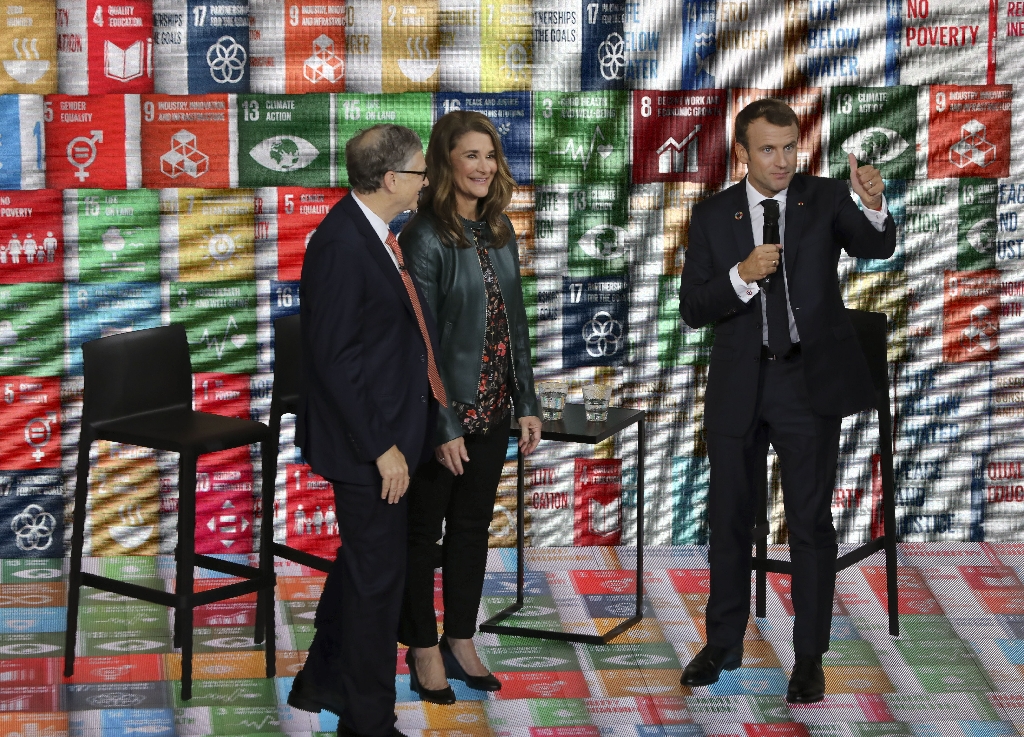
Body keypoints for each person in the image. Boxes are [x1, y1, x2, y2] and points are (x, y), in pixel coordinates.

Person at [677, 99, 896, 704]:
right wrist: (741, 275)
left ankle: (809, 657)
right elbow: (693, 307)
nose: (781, 160)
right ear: (742, 153)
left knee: (808, 524)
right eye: (767, 149)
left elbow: (877, 248)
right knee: (728, 521)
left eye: (790, 147)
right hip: (739, 387)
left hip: (808, 386)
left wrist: (873, 205)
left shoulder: (823, 198)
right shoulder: (715, 215)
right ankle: (721, 644)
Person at [290, 124, 441, 737]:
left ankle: (318, 684)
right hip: (368, 447)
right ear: (390, 180)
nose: (426, 181)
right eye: (419, 172)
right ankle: (368, 724)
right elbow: (334, 361)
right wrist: (382, 448)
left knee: (365, 572)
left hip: (396, 434)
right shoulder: (342, 244)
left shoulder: (375, 234)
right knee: (378, 588)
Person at [397, 110, 541, 704]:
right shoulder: (423, 235)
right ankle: (422, 647)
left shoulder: (499, 228)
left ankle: (460, 638)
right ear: (445, 162)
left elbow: (514, 322)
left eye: (490, 156)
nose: (484, 167)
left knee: (473, 532)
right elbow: (419, 341)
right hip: (441, 417)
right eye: (471, 156)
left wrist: (526, 398)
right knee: (422, 534)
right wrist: (442, 424)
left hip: (493, 410)